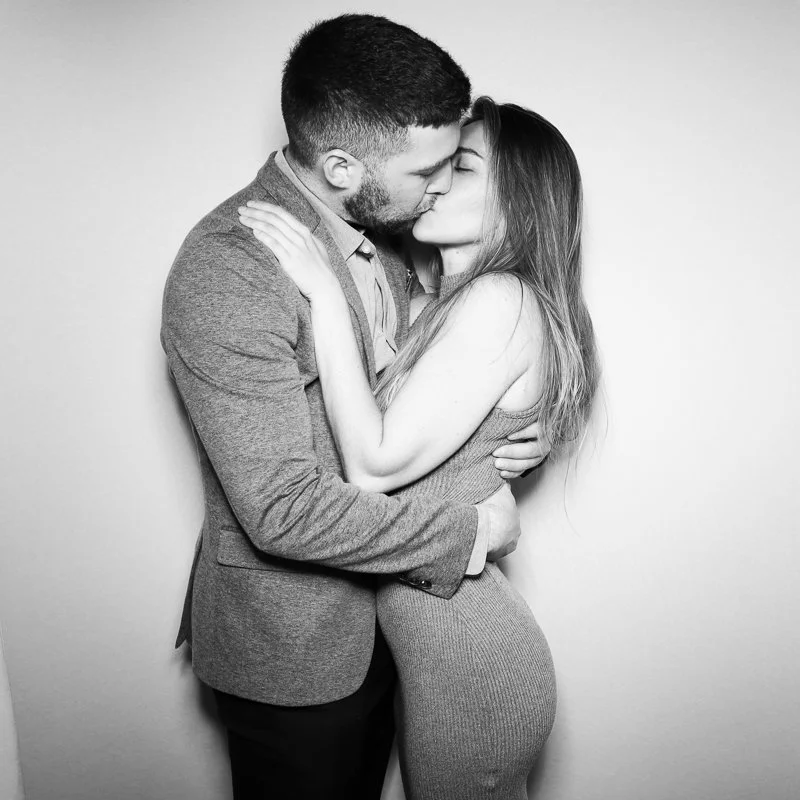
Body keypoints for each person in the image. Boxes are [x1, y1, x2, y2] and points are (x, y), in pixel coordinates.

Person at [161, 15, 549, 800]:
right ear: (343, 166)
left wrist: (506, 433)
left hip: (398, 634)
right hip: (294, 650)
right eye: (431, 168)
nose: (440, 186)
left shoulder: (400, 240)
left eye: (456, 166)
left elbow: (415, 400)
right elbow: (283, 511)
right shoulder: (230, 271)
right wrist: (472, 525)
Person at [238, 96, 599, 798]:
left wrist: (321, 290)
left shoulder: (499, 299)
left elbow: (372, 466)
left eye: (459, 167)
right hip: (448, 654)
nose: (432, 183)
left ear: (520, 198)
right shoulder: (461, 298)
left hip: (472, 668)